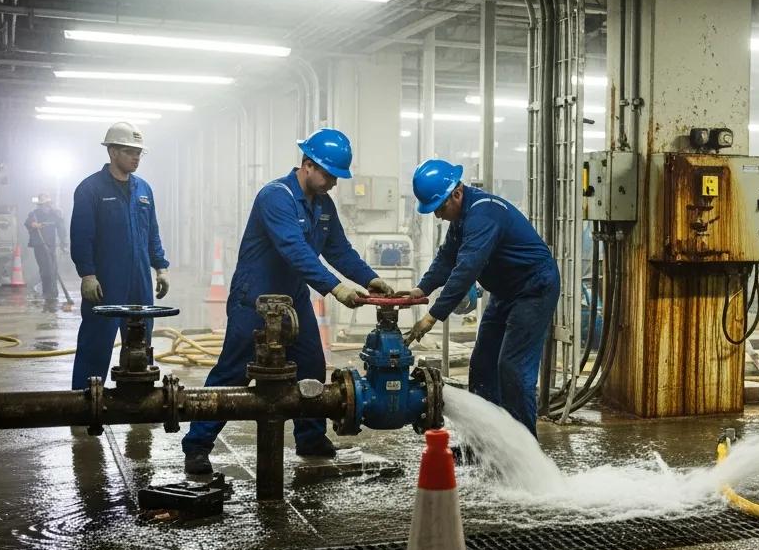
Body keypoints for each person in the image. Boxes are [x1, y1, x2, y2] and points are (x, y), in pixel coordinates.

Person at [181, 128, 393, 474]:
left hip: (293, 301)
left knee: (310, 367)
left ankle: (310, 439)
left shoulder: (323, 205)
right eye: (329, 175)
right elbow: (293, 249)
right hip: (256, 301)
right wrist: (334, 288)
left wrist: (370, 278)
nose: (334, 184)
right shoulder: (275, 196)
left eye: (338, 177)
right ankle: (197, 446)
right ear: (307, 165)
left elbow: (339, 249)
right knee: (233, 373)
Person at [401, 159, 559, 437]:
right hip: (506, 291)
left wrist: (432, 316)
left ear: (457, 193)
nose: (437, 216)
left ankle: (525, 452)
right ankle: (484, 444)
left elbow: (466, 269)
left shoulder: (483, 214)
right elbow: (448, 257)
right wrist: (422, 289)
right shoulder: (462, 217)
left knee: (512, 367)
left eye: (439, 208)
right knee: (483, 365)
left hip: (534, 288)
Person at [69, 122, 168, 390]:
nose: (136, 157)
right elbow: (81, 236)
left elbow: (152, 232)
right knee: (96, 341)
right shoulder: (90, 189)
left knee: (141, 342)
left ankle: (139, 396)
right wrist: (87, 274)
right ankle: (85, 399)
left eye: (139, 152)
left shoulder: (144, 189)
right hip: (106, 280)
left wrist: (160, 267)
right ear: (112, 152)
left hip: (139, 281)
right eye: (129, 151)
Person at [26, 192, 67, 311]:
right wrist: (34, 225)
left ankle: (53, 293)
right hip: (39, 246)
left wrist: (64, 244)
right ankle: (47, 293)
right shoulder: (34, 214)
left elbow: (61, 229)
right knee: (45, 270)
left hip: (51, 246)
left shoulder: (55, 215)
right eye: (42, 204)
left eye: (47, 204)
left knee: (53, 270)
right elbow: (28, 222)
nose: (45, 206)